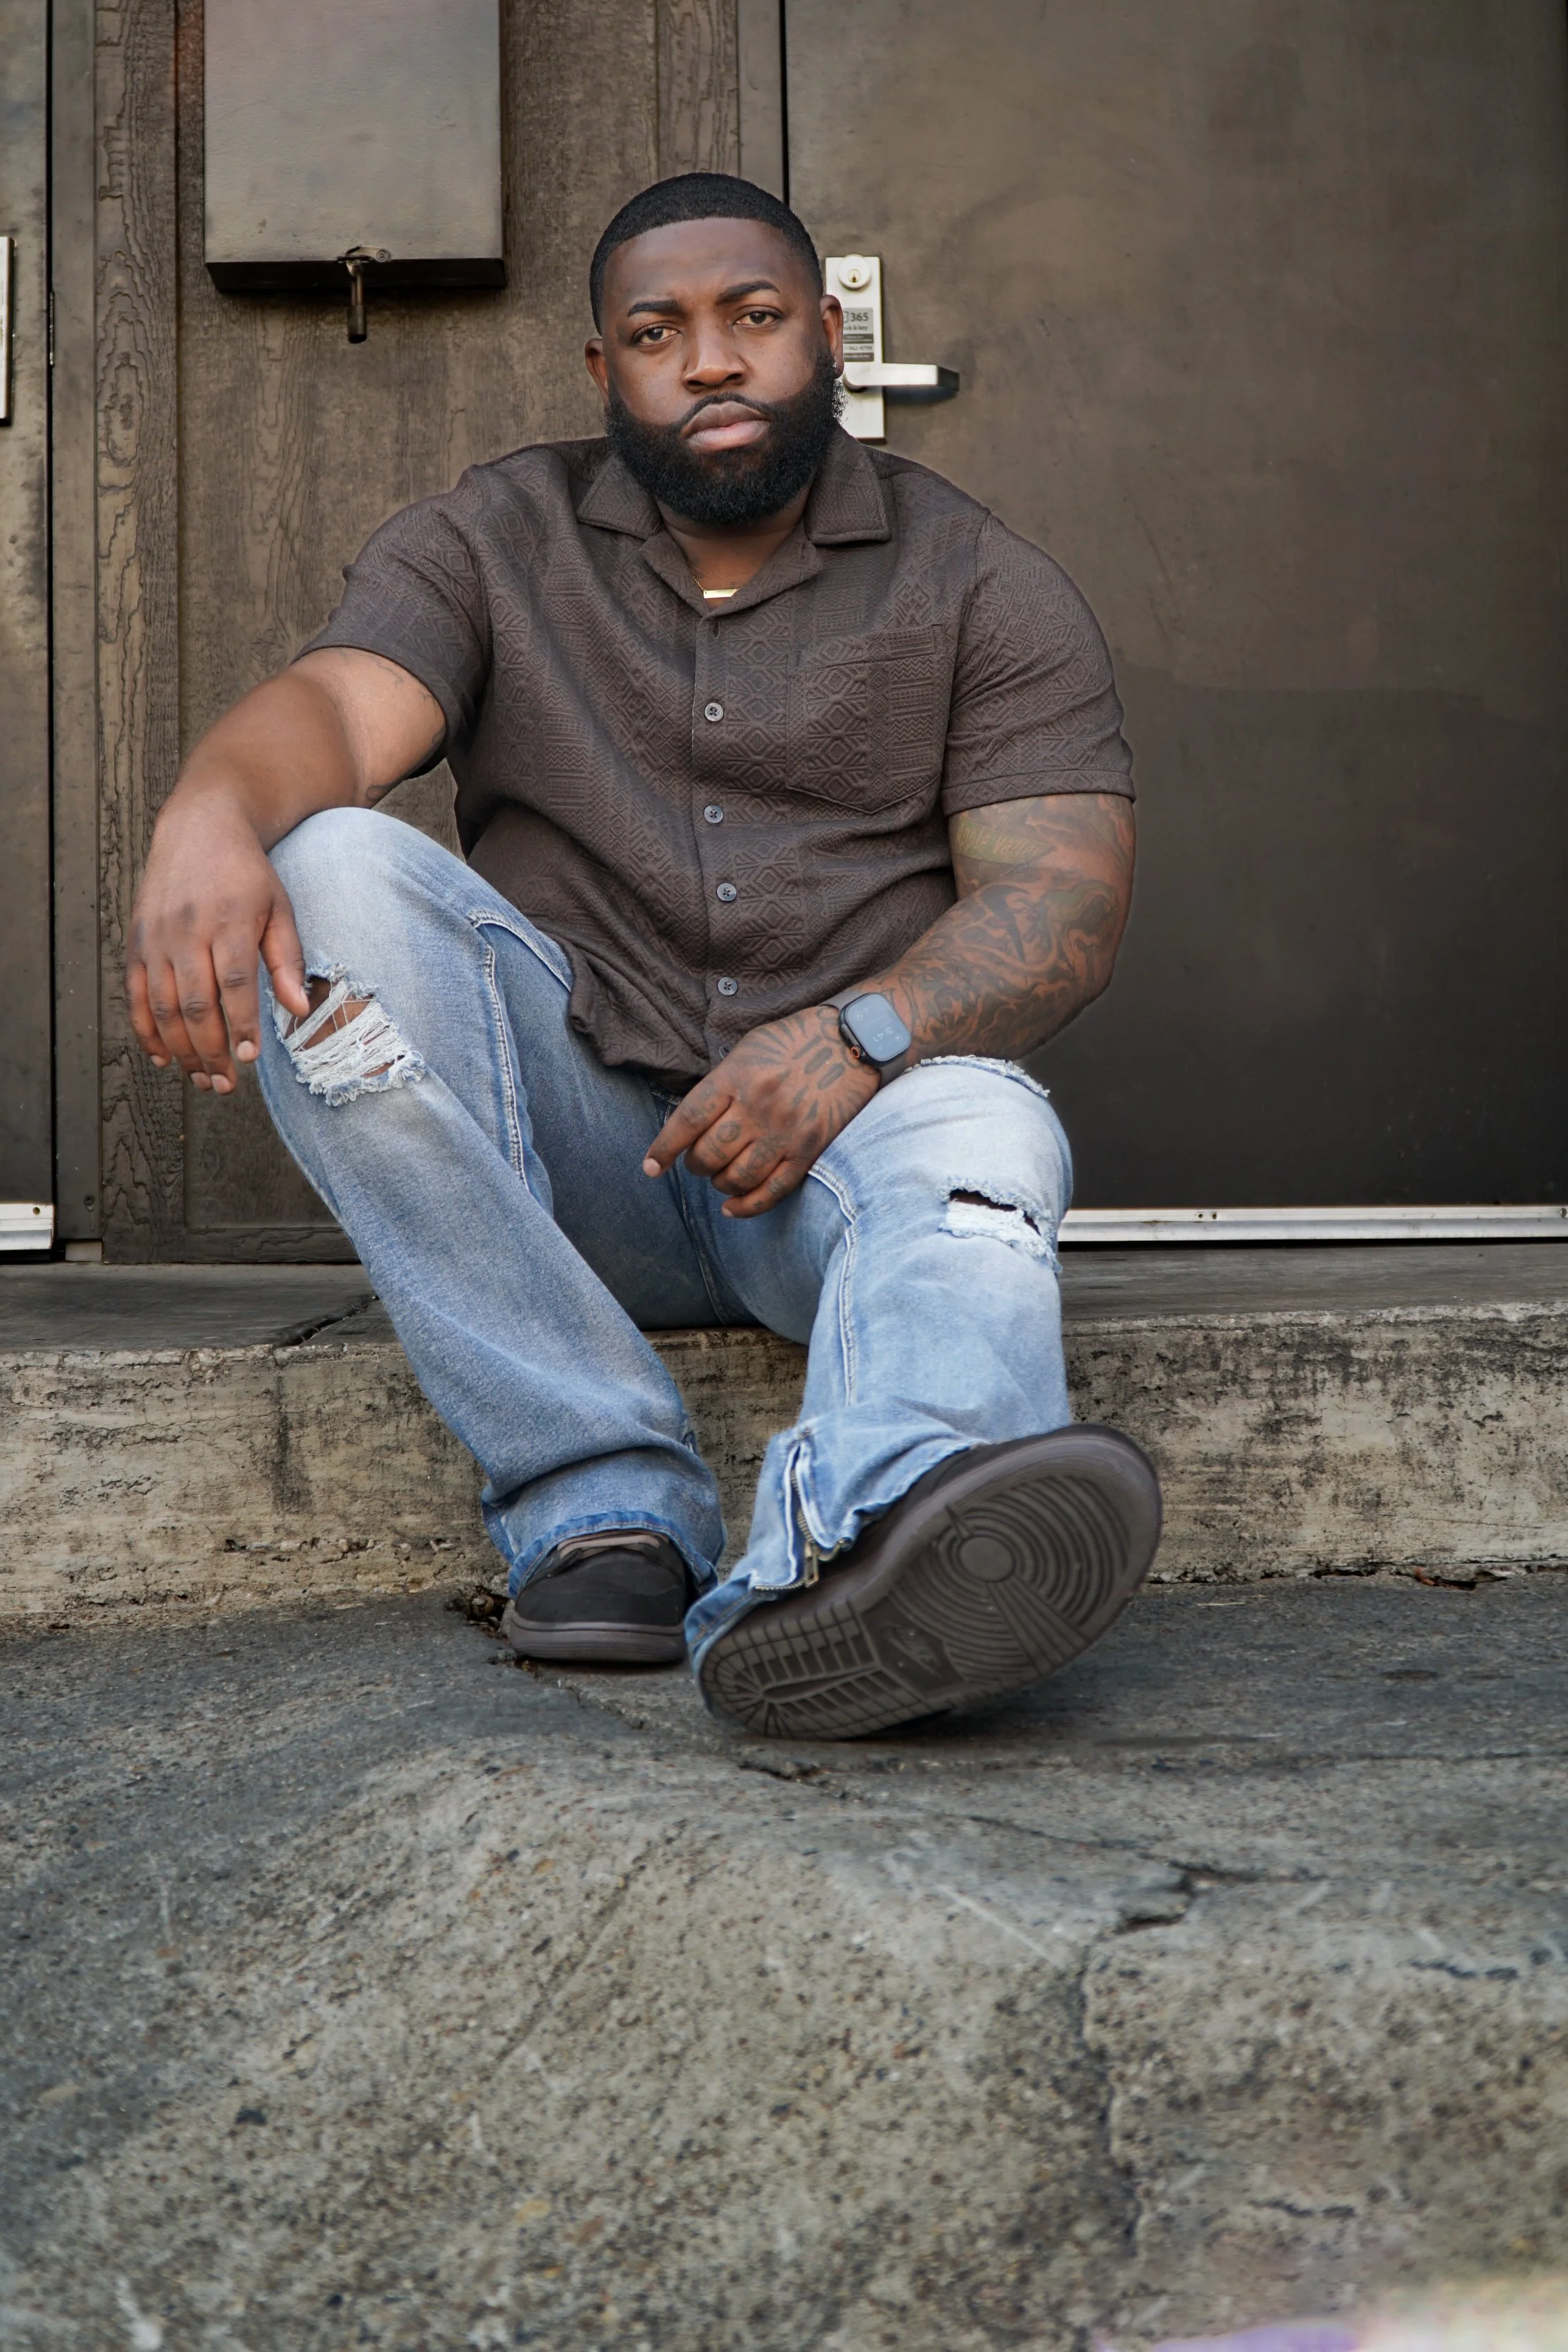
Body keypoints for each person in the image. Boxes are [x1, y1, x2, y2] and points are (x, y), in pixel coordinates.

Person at [127, 171, 1160, 1741]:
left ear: (827, 336)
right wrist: (208, 816)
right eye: (659, 332)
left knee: (988, 1121)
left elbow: (1064, 906)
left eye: (754, 317)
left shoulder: (977, 578)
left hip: (835, 1164)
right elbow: (336, 709)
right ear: (604, 369)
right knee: (323, 859)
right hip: (573, 1163)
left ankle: (874, 1540)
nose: (713, 360)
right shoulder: (497, 538)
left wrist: (854, 1040)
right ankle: (598, 1502)